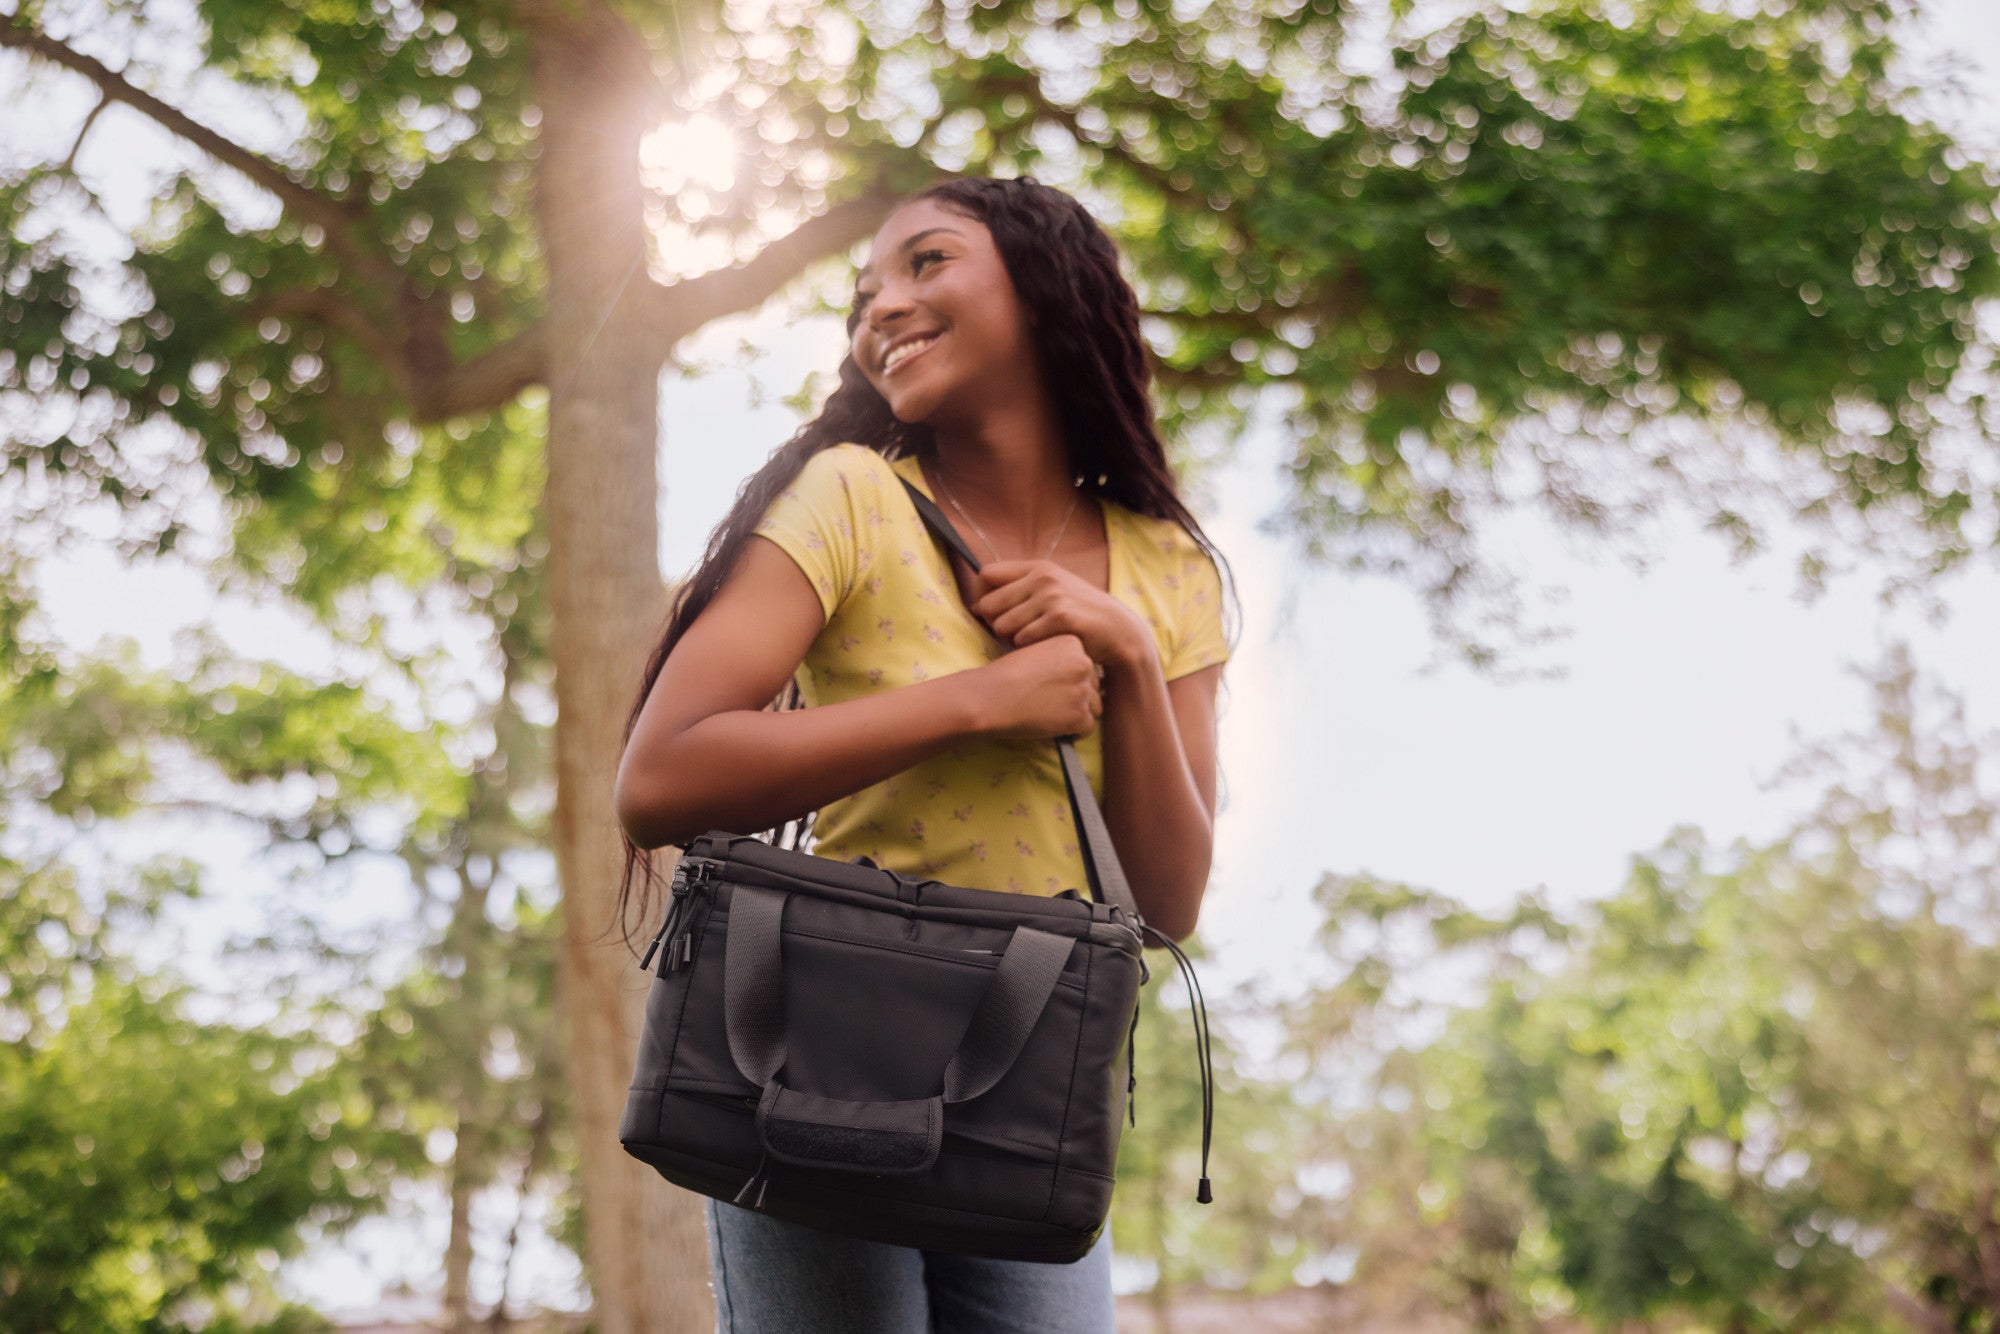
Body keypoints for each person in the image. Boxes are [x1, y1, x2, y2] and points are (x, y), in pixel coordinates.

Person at [614, 175, 1233, 1334]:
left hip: (1029, 1079)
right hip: (814, 1042)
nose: (880, 308)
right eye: (862, 295)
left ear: (1047, 288)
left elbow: (1166, 901)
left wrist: (1135, 663)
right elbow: (661, 778)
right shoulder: (849, 497)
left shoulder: (1169, 573)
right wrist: (981, 697)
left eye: (926, 263)